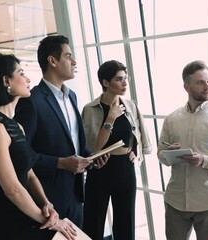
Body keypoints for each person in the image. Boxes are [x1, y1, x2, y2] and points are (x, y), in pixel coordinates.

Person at [0, 53, 76, 240]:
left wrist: (47, 204)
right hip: (3, 222)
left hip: (26, 214)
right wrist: (52, 222)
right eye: (21, 73)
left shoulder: (16, 126)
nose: (28, 79)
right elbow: (12, 188)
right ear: (6, 81)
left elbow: (29, 174)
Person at [14, 35, 107, 228]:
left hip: (75, 196)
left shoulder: (71, 96)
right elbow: (22, 156)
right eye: (68, 56)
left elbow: (73, 143)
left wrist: (91, 158)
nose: (74, 62)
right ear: (52, 60)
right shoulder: (32, 101)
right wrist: (61, 163)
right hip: (48, 202)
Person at [157, 60, 208, 240]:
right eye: (200, 82)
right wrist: (168, 153)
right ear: (186, 87)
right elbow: (161, 153)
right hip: (175, 201)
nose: (206, 86)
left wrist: (203, 160)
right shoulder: (171, 119)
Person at [81, 60, 152, 240]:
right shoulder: (89, 109)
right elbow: (91, 145)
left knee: (125, 223)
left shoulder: (130, 105)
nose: (124, 83)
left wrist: (135, 150)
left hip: (124, 168)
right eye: (119, 79)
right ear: (106, 83)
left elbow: (137, 133)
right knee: (93, 223)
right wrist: (110, 118)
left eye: (125, 78)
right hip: (100, 169)